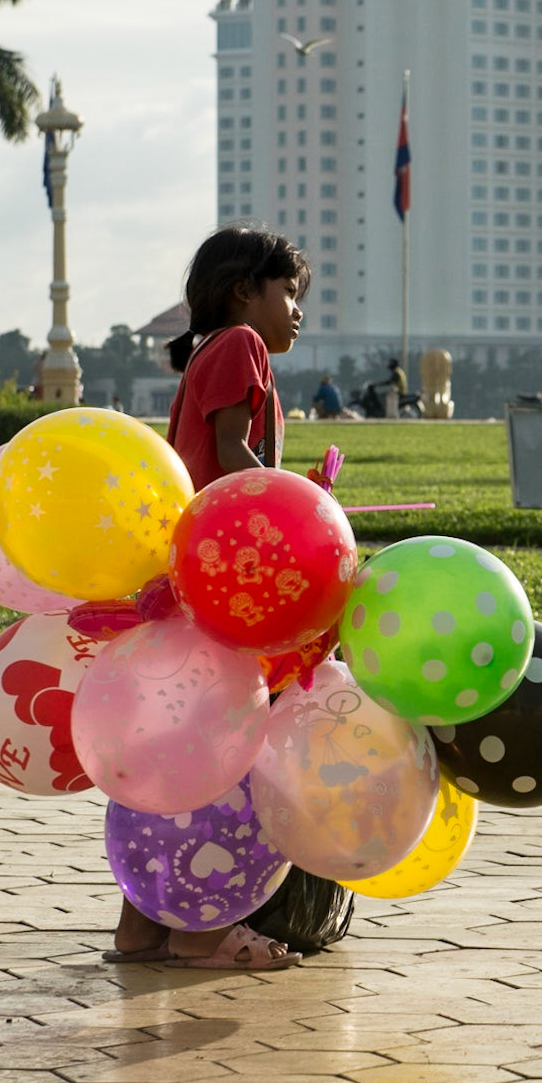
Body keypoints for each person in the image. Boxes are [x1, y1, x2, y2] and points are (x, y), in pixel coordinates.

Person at [118, 226, 328, 971]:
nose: (298, 310)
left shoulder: (213, 349)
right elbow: (235, 453)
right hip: (230, 577)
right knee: (227, 750)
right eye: (289, 293)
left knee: (180, 744)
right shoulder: (241, 343)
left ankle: (141, 928)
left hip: (196, 574)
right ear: (245, 291)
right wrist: (293, 519)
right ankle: (204, 933)